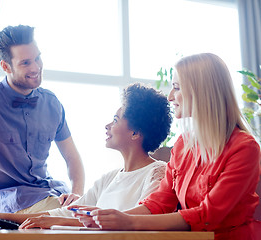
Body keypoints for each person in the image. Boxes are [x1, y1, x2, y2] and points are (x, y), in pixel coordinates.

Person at [70, 53, 261, 240]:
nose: (170, 96)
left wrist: (128, 222)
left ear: (201, 92)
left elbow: (208, 216)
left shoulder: (245, 148)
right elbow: (159, 203)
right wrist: (111, 219)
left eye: (176, 88)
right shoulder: (183, 145)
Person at [0, 82, 173, 229]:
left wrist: (57, 221)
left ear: (135, 133)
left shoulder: (157, 172)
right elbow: (65, 212)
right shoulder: (109, 178)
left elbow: (139, 222)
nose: (107, 125)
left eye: (115, 119)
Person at [0, 25, 85, 213]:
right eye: (25, 63)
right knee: (72, 218)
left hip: (53, 194)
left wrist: (76, 194)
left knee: (101, 211)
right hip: (15, 202)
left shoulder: (52, 103)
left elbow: (72, 156)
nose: (36, 67)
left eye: (37, 58)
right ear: (5, 66)